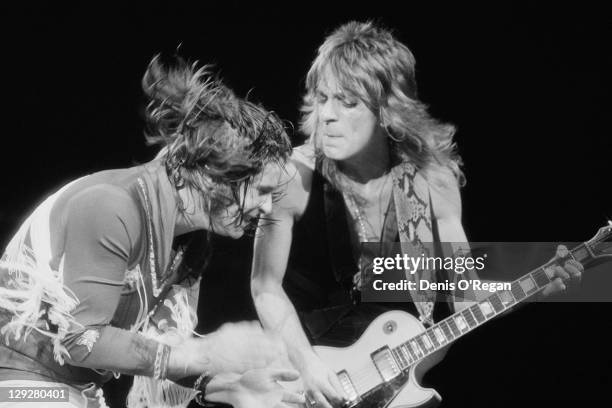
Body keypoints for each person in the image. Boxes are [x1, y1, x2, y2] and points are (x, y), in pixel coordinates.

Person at [251, 21, 583, 408]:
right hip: (299, 380)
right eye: (323, 98)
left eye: (348, 101)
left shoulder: (431, 184)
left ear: (387, 111)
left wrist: (531, 289)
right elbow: (264, 288)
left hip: (389, 386)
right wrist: (308, 365)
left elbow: (464, 297)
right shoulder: (294, 177)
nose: (327, 115)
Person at [0, 56, 304, 408]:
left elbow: (168, 348)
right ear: (214, 172)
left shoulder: (192, 240)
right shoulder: (112, 207)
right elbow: (79, 339)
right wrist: (207, 353)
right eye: (262, 190)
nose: (267, 208)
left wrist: (228, 386)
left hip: (75, 390)